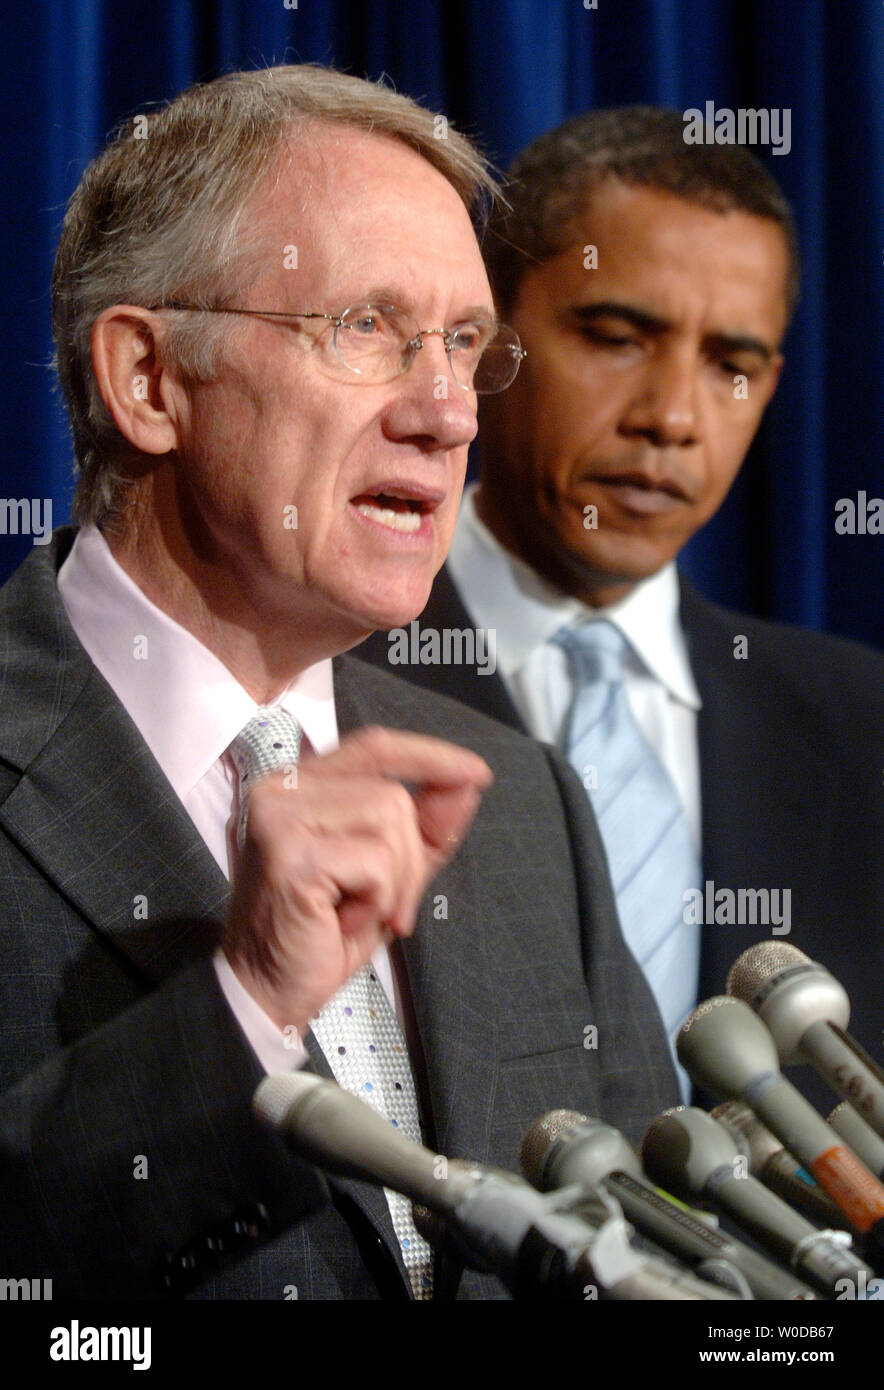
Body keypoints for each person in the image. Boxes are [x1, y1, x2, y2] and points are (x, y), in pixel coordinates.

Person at [0, 69, 676, 1301]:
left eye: (466, 345)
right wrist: (243, 1005)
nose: (446, 412)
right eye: (364, 326)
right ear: (148, 380)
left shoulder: (518, 804)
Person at [357, 108, 884, 1095]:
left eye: (727, 365)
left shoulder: (861, 730)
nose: (671, 418)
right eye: (614, 337)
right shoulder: (317, 678)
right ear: (485, 338)